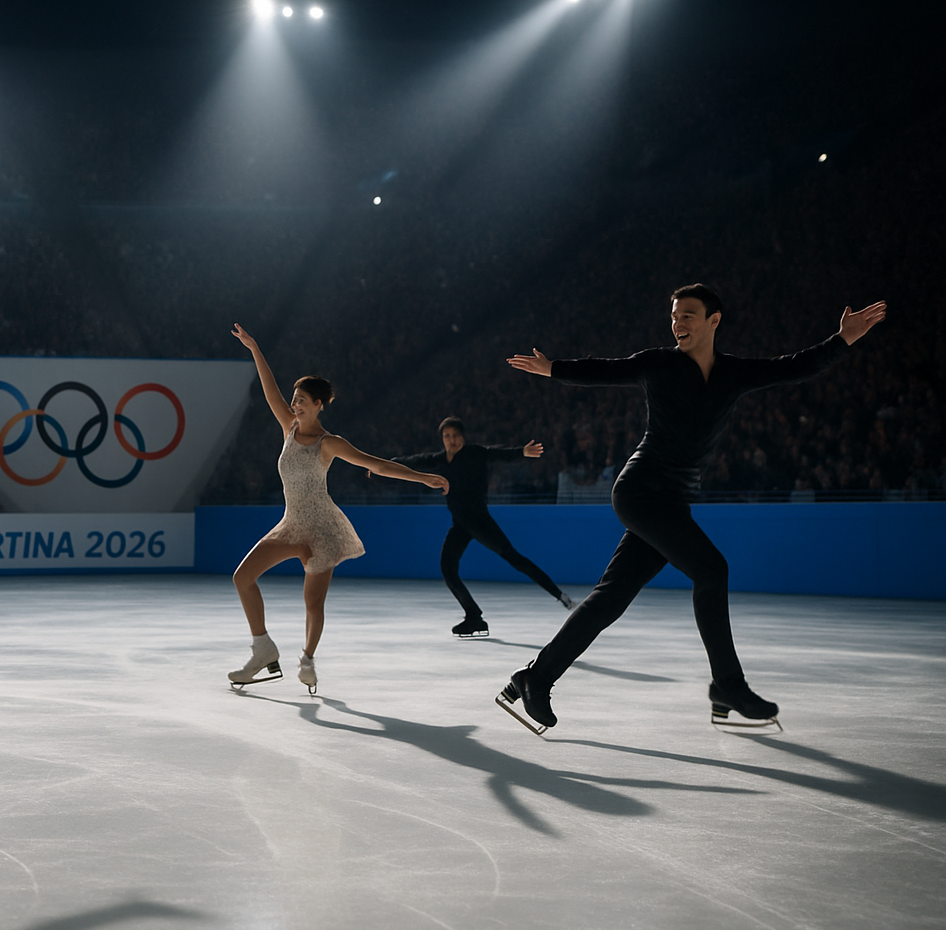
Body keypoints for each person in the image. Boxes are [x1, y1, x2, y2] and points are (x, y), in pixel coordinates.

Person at [497, 285, 885, 734]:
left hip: (671, 502)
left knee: (611, 597)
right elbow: (608, 369)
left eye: (689, 316)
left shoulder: (733, 374)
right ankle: (728, 685)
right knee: (711, 570)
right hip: (640, 491)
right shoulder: (659, 364)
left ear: (714, 321)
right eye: (675, 316)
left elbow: (794, 367)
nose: (678, 324)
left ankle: (536, 677)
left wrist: (844, 339)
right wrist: (552, 369)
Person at [227, 323, 449, 693]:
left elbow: (375, 464)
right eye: (294, 398)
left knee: (312, 603)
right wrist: (254, 349)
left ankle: (308, 660)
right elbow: (269, 393)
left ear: (318, 405)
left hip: (323, 530)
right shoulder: (289, 429)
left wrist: (421, 477)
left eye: (301, 400)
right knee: (242, 577)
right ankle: (262, 650)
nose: (294, 403)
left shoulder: (328, 443)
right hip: (291, 525)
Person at [380, 416, 572, 638]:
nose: (452, 440)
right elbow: (409, 462)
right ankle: (473, 616)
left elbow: (497, 453)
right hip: (460, 525)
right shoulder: (438, 460)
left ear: (463, 437)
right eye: (447, 436)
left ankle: (559, 595)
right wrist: (378, 468)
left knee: (513, 558)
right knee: (447, 568)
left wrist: (521, 452)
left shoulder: (475, 453)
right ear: (442, 439)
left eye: (455, 435)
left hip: (480, 522)